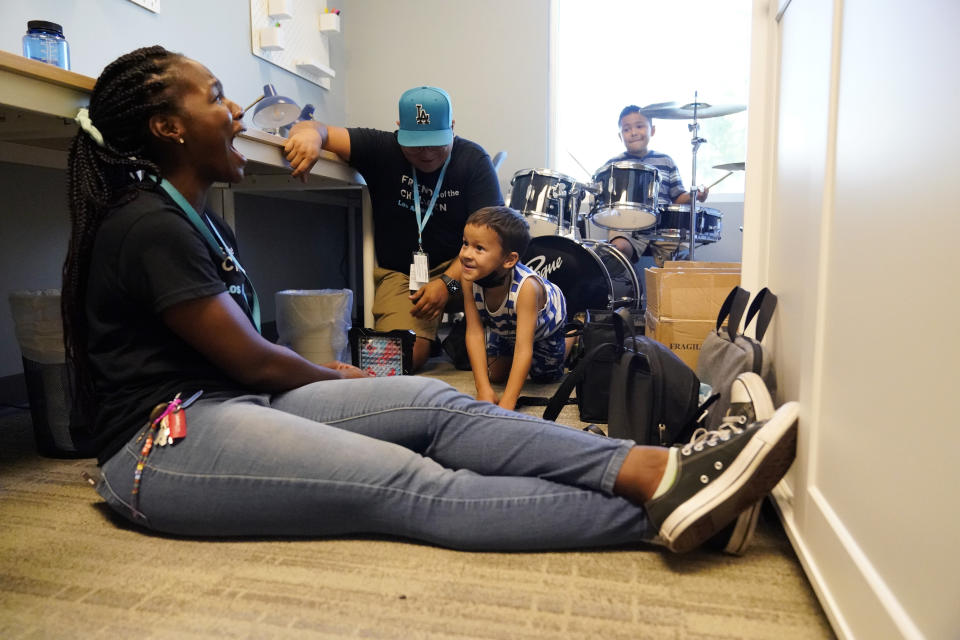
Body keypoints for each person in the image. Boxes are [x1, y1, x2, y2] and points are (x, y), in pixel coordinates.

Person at [63, 45, 798, 555]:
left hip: (232, 401)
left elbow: (250, 362)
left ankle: (657, 468)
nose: (235, 113)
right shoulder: (148, 227)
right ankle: (668, 516)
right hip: (161, 447)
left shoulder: (194, 217)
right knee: (411, 486)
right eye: (217, 98)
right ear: (167, 127)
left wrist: (333, 376)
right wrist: (332, 375)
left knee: (431, 403)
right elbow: (255, 362)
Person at [283, 86, 504, 372]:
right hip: (403, 276)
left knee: (498, 352)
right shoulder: (381, 147)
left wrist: (447, 283)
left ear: (452, 127)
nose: (426, 154)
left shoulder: (473, 161)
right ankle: (434, 338)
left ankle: (470, 333)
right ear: (399, 129)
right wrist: (311, 137)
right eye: (415, 145)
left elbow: (493, 240)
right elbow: (314, 128)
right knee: (400, 360)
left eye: (435, 143)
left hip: (463, 270)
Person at [459, 206, 568, 411]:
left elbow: (523, 346)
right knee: (496, 376)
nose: (466, 254)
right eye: (465, 244)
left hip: (545, 328)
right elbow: (474, 332)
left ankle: (571, 338)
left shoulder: (527, 289)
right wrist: (483, 389)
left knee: (545, 377)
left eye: (478, 248)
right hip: (505, 326)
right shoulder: (468, 278)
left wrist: (508, 402)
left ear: (509, 260)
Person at [600, 105, 709, 266]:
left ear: (652, 130)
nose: (634, 132)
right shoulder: (613, 164)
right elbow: (603, 199)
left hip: (663, 226)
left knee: (682, 261)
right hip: (625, 225)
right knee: (619, 249)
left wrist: (695, 195)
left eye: (639, 126)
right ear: (620, 136)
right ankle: (626, 287)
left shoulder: (666, 161)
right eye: (627, 129)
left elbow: (677, 197)